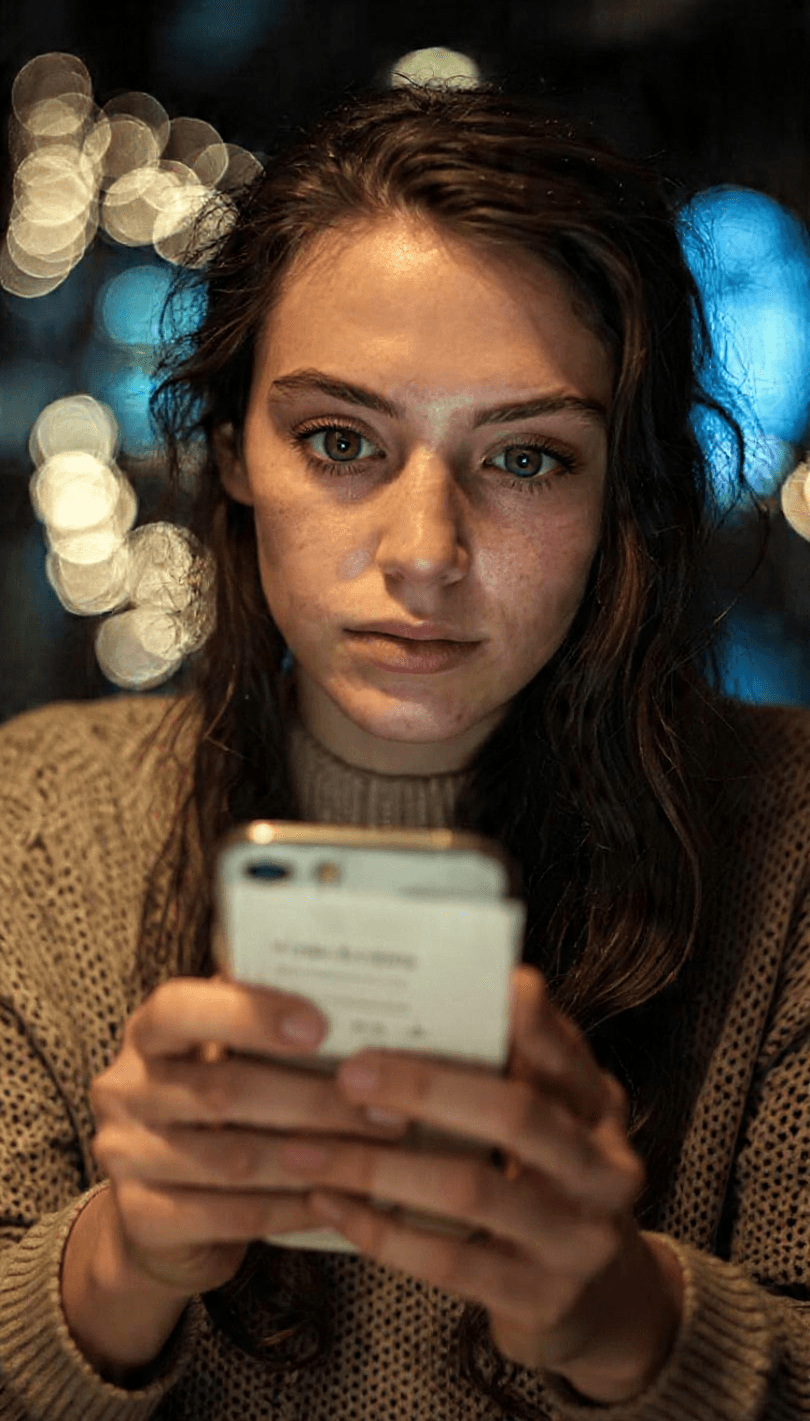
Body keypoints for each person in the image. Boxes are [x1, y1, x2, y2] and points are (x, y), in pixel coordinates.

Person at [0, 79, 807, 1421]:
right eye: (340, 441)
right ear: (235, 450)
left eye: (527, 460)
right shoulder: (37, 825)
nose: (423, 554)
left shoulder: (791, 849)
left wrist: (628, 1319)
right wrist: (116, 1261)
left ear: (625, 491)